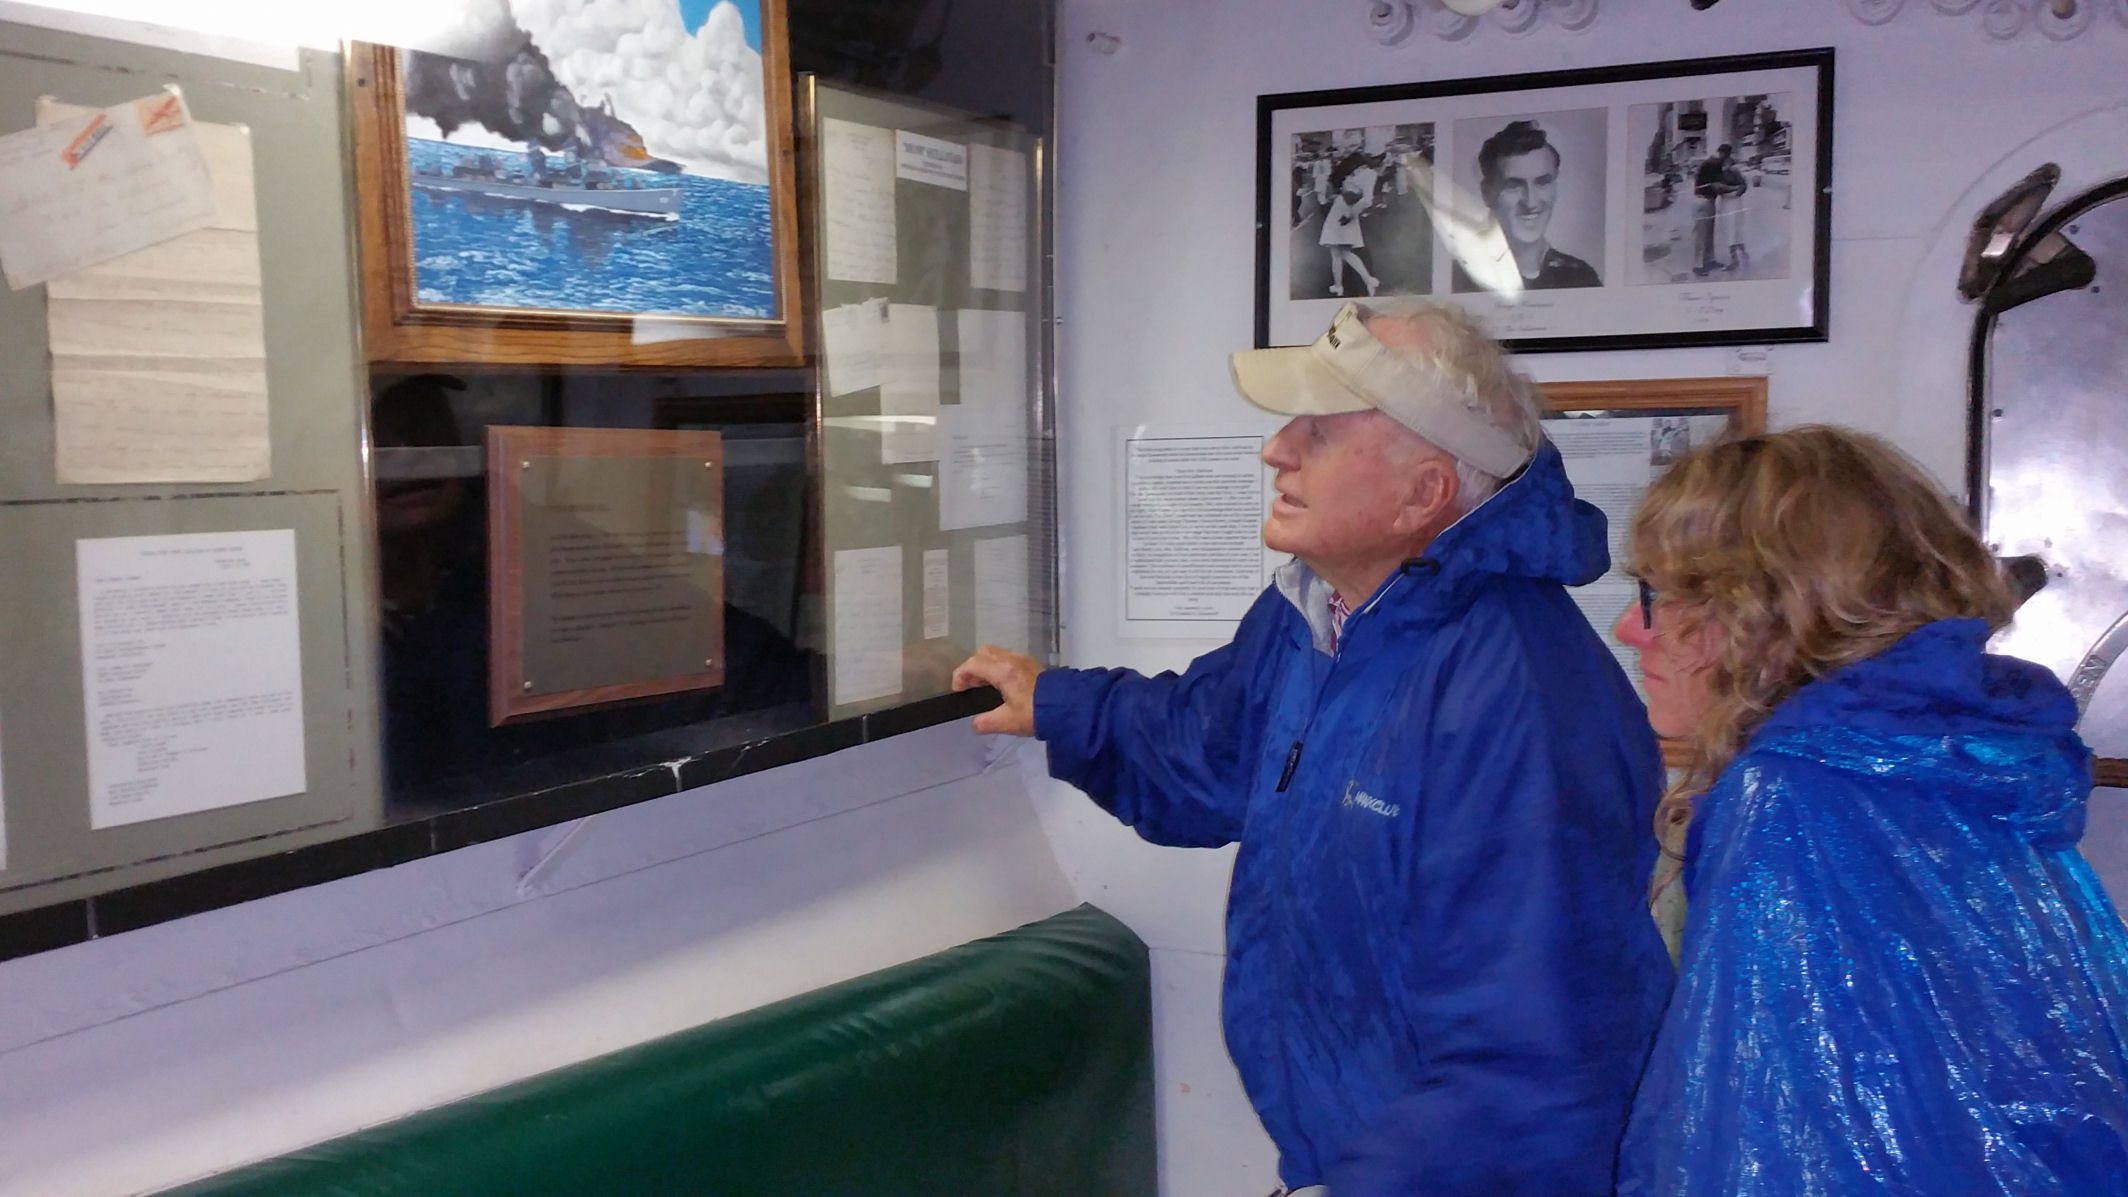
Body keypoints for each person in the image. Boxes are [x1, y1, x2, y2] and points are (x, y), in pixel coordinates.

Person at [953, 300, 1671, 1196]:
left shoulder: (1520, 699)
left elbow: (1535, 1058)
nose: (1276, 449)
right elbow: (1210, 745)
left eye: (1320, 431)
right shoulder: (1320, 615)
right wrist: (1058, 706)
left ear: (1424, 494)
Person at [1611, 426, 2128, 1195]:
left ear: (1768, 612)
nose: (1629, 628)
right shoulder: (1957, 766)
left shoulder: (1796, 800)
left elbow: (1770, 1153)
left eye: (1663, 596)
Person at [1452, 119, 1601, 292]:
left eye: (1542, 182)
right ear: (1487, 193)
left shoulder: (1580, 276)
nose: (1531, 202)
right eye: (1514, 186)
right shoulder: (1459, 276)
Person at [1318, 164, 1380, 298]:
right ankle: (1346, 284)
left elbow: (1367, 200)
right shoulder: (1356, 171)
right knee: (1341, 252)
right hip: (1340, 208)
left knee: (1339, 252)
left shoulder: (1369, 174)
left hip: (1345, 211)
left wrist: (1350, 214)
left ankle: (1343, 285)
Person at [1691, 144, 1740, 276]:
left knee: (1708, 233)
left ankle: (1710, 260)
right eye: (1728, 156)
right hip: (1703, 201)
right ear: (1725, 154)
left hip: (1707, 200)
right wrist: (1736, 188)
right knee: (1702, 234)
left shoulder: (1711, 163)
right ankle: (1698, 266)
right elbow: (1717, 187)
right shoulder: (1714, 164)